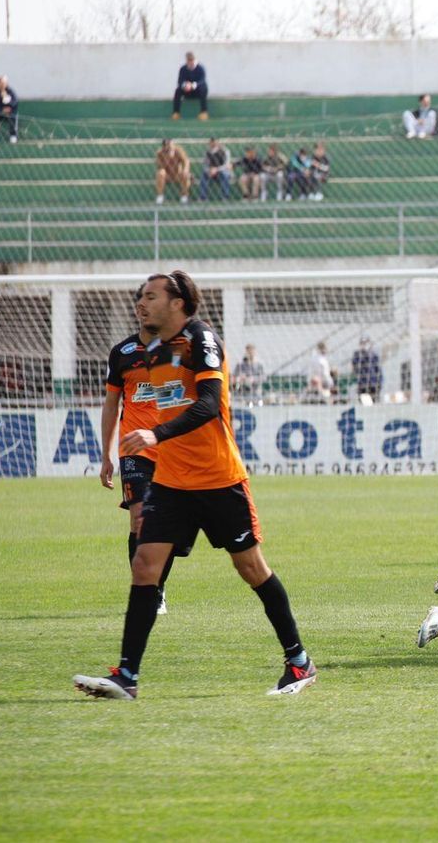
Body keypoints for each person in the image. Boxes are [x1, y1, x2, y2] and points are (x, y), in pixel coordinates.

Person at [73, 270, 316, 699]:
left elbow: (206, 405)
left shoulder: (201, 340)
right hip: (170, 481)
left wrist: (155, 435)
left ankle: (299, 663)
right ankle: (126, 677)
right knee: (145, 566)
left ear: (178, 302)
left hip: (219, 479)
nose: (141, 302)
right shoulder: (152, 350)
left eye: (151, 296)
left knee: (252, 569)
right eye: (141, 296)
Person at [99, 286, 175, 616]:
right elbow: (111, 404)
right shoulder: (122, 353)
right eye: (140, 303)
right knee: (140, 520)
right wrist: (106, 456)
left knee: (168, 527)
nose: (144, 308)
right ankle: (147, 593)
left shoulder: (177, 351)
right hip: (134, 450)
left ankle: (157, 586)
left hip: (170, 449)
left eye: (151, 302)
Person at [172, 51, 209, 120]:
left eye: (192, 60)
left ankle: (204, 112)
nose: (190, 62)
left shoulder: (200, 68)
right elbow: (180, 81)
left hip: (197, 91)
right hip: (187, 92)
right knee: (178, 91)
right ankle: (176, 113)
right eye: (188, 60)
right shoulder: (183, 69)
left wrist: (193, 85)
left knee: (203, 89)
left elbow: (202, 80)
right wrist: (185, 85)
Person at [154, 139, 191, 205]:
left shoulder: (178, 150)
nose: (169, 147)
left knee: (185, 174)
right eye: (167, 145)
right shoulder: (160, 153)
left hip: (178, 173)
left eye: (171, 145)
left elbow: (186, 161)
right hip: (167, 174)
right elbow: (159, 166)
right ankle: (160, 196)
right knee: (160, 173)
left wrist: (185, 169)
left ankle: (184, 196)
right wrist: (168, 157)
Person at [352, 337, 382, 401]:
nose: (365, 345)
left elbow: (378, 370)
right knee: (365, 404)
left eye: (366, 343)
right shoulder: (357, 355)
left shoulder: (374, 355)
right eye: (363, 343)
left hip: (373, 384)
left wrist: (380, 382)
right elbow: (355, 368)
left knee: (374, 404)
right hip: (363, 384)